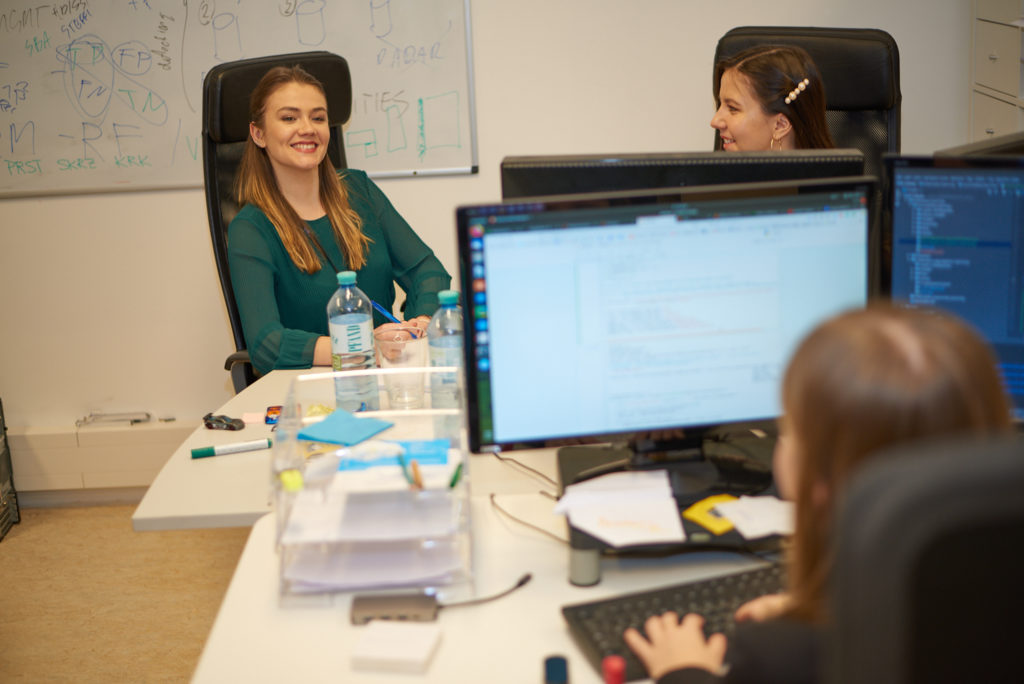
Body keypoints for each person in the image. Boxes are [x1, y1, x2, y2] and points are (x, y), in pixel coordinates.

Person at [624, 303, 1013, 684]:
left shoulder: (782, 657)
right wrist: (824, 607)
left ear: (820, 486)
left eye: (788, 428)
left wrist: (684, 671)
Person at [227, 65, 451, 376]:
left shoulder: (359, 192)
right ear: (259, 133)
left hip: (389, 372)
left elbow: (428, 271)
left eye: (317, 117)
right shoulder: (251, 229)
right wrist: (361, 344)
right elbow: (267, 344)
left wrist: (421, 323)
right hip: (313, 386)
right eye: (289, 118)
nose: (307, 128)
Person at [710, 45, 834, 152]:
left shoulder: (832, 179)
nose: (714, 121)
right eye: (720, 104)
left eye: (732, 108)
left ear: (780, 125)